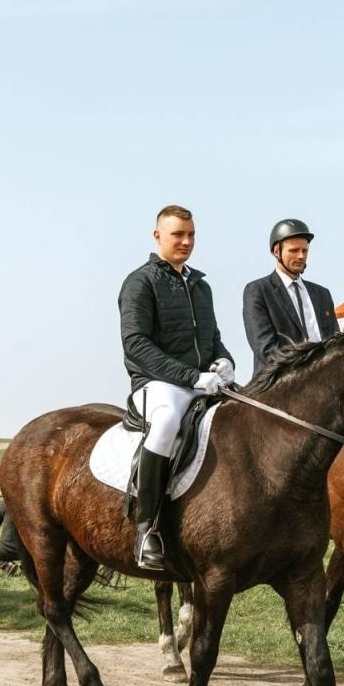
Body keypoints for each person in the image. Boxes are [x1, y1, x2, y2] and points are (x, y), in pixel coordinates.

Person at [118, 205, 235, 569]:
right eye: (177, 235)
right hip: (156, 384)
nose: (186, 241)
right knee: (167, 420)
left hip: (203, 381)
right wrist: (191, 377)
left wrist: (225, 361)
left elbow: (213, 339)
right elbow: (136, 344)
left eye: (191, 235)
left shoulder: (201, 285)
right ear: (158, 236)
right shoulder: (140, 282)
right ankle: (146, 529)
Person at [241, 218, 339, 371]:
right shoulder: (258, 291)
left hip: (324, 384)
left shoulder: (322, 294)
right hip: (278, 387)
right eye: (294, 250)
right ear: (276, 251)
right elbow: (266, 350)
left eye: (304, 250)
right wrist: (307, 372)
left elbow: (335, 343)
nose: (301, 256)